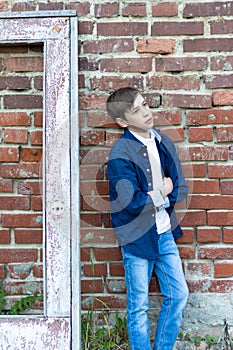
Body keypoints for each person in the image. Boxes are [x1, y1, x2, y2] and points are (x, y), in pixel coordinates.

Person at [106, 87, 189, 350]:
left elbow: (179, 187)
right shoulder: (121, 154)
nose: (146, 113)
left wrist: (161, 196)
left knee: (178, 295)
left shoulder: (164, 143)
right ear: (122, 122)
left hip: (164, 233)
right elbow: (131, 202)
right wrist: (161, 193)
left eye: (145, 105)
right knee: (139, 305)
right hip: (136, 237)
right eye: (136, 111)